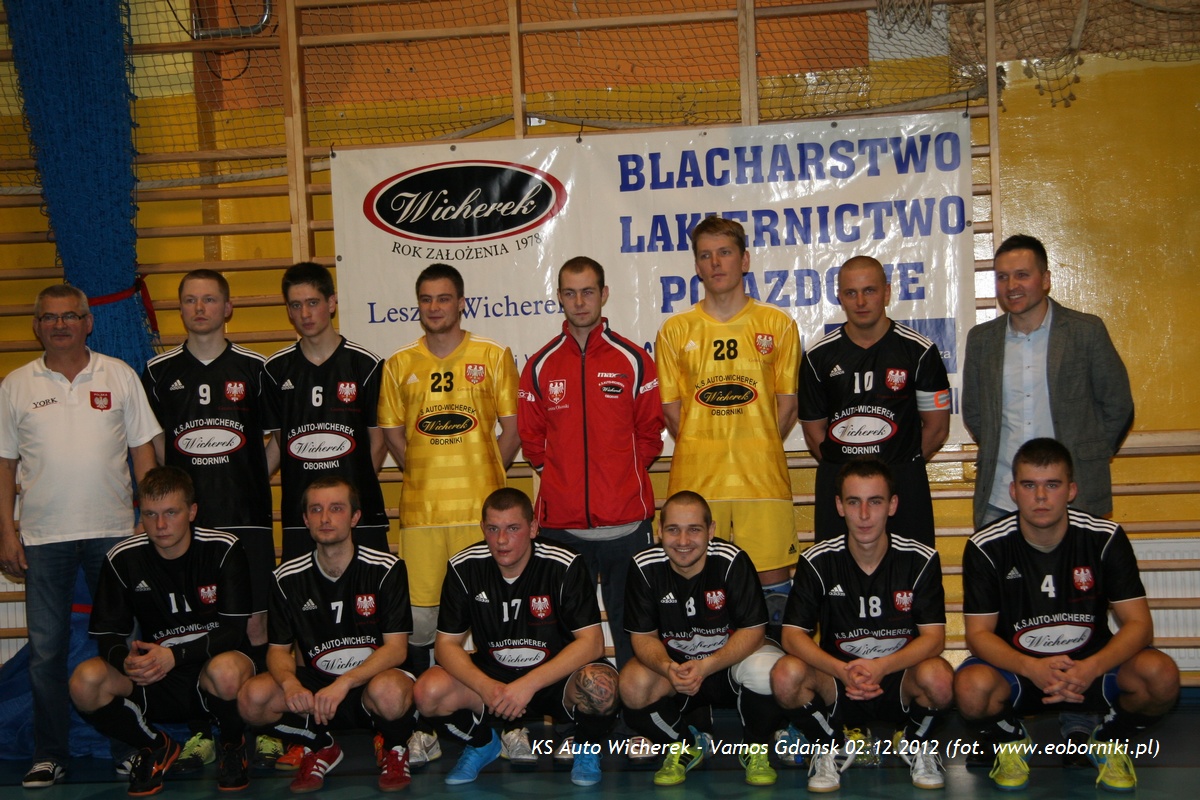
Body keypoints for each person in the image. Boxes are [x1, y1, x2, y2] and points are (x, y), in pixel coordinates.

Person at [0, 284, 161, 788]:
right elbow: (4, 465)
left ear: (88, 322)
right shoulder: (15, 385)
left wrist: (146, 519)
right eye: (49, 317)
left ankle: (132, 748)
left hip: (114, 534)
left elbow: (143, 451)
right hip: (43, 537)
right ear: (37, 325)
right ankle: (50, 754)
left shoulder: (118, 374)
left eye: (70, 316)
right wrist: (6, 532)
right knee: (46, 652)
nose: (60, 325)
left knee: (125, 647)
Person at [955, 438, 1179, 792]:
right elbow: (978, 635)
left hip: (1090, 670)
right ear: (1013, 491)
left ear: (1071, 490)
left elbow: (1139, 625)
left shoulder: (1104, 537)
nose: (1041, 497)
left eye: (1052, 485)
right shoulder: (986, 546)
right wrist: (1032, 668)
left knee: (1161, 676)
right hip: (1022, 671)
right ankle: (1011, 741)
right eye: (1029, 485)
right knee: (970, 689)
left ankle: (1107, 739)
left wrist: (1090, 668)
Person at [377, 262, 519, 765]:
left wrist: (485, 477)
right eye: (426, 299)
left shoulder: (493, 355)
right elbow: (394, 437)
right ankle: (427, 727)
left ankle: (509, 724)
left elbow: (511, 433)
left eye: (444, 298)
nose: (435, 307)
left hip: (480, 520)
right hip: (422, 519)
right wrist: (422, 472)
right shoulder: (398, 364)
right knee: (422, 627)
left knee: (494, 622)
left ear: (461, 302)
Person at [141, 270, 276, 771]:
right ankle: (205, 730)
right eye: (190, 300)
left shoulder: (256, 368)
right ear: (180, 308)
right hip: (187, 530)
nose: (200, 308)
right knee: (193, 624)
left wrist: (253, 478)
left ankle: (262, 728)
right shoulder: (158, 372)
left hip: (247, 520)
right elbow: (155, 445)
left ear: (228, 307)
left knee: (256, 624)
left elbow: (278, 438)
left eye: (210, 299)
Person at [412, 488, 619, 787]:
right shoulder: (463, 566)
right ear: (482, 528)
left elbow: (592, 642)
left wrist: (528, 684)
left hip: (552, 679)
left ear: (533, 528)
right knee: (427, 692)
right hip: (494, 679)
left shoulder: (564, 563)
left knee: (602, 687)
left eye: (512, 528)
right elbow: (446, 645)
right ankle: (483, 744)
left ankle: (586, 748)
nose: (501, 540)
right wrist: (486, 686)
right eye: (492, 529)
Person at [68, 466, 254, 796]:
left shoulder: (223, 548)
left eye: (171, 513)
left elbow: (234, 631)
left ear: (192, 512)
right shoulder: (123, 558)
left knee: (226, 671)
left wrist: (174, 655)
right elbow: (108, 635)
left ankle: (231, 745)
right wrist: (126, 663)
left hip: (211, 670)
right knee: (85, 682)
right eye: (151, 514)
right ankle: (155, 745)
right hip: (156, 675)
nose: (161, 525)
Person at [771, 458, 952, 792]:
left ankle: (915, 741)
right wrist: (841, 670)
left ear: (892, 505)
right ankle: (830, 745)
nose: (864, 515)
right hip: (839, 679)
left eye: (875, 502)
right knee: (785, 675)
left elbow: (934, 639)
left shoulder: (920, 558)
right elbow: (792, 635)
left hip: (896, 678)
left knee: (939, 677)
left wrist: (881, 667)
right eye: (854, 502)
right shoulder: (817, 560)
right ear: (840, 506)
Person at [519, 256, 664, 670]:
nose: (579, 302)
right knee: (564, 636)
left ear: (604, 294)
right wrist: (560, 480)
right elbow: (532, 440)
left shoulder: (633, 359)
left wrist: (621, 477)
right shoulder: (540, 364)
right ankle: (574, 710)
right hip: (562, 530)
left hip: (626, 525)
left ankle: (636, 711)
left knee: (634, 634)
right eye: (570, 293)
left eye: (587, 292)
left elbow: (650, 434)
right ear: (559, 297)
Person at [655, 216, 800, 620]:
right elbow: (672, 413)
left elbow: (788, 406)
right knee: (698, 588)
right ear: (697, 266)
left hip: (762, 480)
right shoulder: (675, 329)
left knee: (773, 590)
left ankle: (773, 661)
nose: (715, 263)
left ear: (745, 260)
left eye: (724, 253)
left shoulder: (777, 324)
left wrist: (757, 446)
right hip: (698, 481)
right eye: (706, 255)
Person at [237, 475, 417, 793]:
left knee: (390, 692)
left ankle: (394, 746)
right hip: (318, 689)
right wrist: (291, 684)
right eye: (316, 509)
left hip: (370, 683)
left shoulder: (386, 568)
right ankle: (320, 745)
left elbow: (397, 649)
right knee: (253, 699)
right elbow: (278, 650)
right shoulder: (285, 578)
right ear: (305, 520)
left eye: (336, 508)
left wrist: (344, 682)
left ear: (355, 516)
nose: (325, 518)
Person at [963, 234, 1133, 530]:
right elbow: (975, 413)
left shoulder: (1086, 332)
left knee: (1080, 562)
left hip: (1075, 495)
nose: (1011, 286)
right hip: (1001, 496)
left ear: (1045, 280)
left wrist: (1090, 454)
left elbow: (1118, 406)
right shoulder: (981, 340)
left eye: (1022, 275)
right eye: (1002, 277)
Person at [621, 490, 784, 787]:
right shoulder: (644, 566)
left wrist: (707, 665)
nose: (683, 541)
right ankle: (684, 746)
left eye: (694, 529)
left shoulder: (732, 560)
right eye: (673, 530)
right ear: (660, 531)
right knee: (632, 685)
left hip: (729, 665)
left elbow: (754, 631)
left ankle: (755, 749)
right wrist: (667, 667)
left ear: (711, 530)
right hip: (678, 671)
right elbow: (643, 637)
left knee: (769, 671)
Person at [799, 256, 950, 546]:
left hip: (903, 484)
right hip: (840, 486)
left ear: (887, 292)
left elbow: (937, 428)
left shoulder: (919, 351)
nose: (860, 301)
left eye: (869, 290)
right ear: (840, 297)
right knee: (836, 571)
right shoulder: (817, 358)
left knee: (911, 569)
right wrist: (851, 479)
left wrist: (898, 468)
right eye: (851, 293)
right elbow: (814, 434)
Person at [263, 262, 390, 562]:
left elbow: (378, 443)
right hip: (302, 517)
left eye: (313, 303)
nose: (305, 314)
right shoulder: (274, 370)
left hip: (358, 515)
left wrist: (346, 503)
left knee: (369, 590)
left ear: (331, 303)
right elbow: (282, 442)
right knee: (302, 592)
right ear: (288, 310)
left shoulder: (366, 366)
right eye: (296, 305)